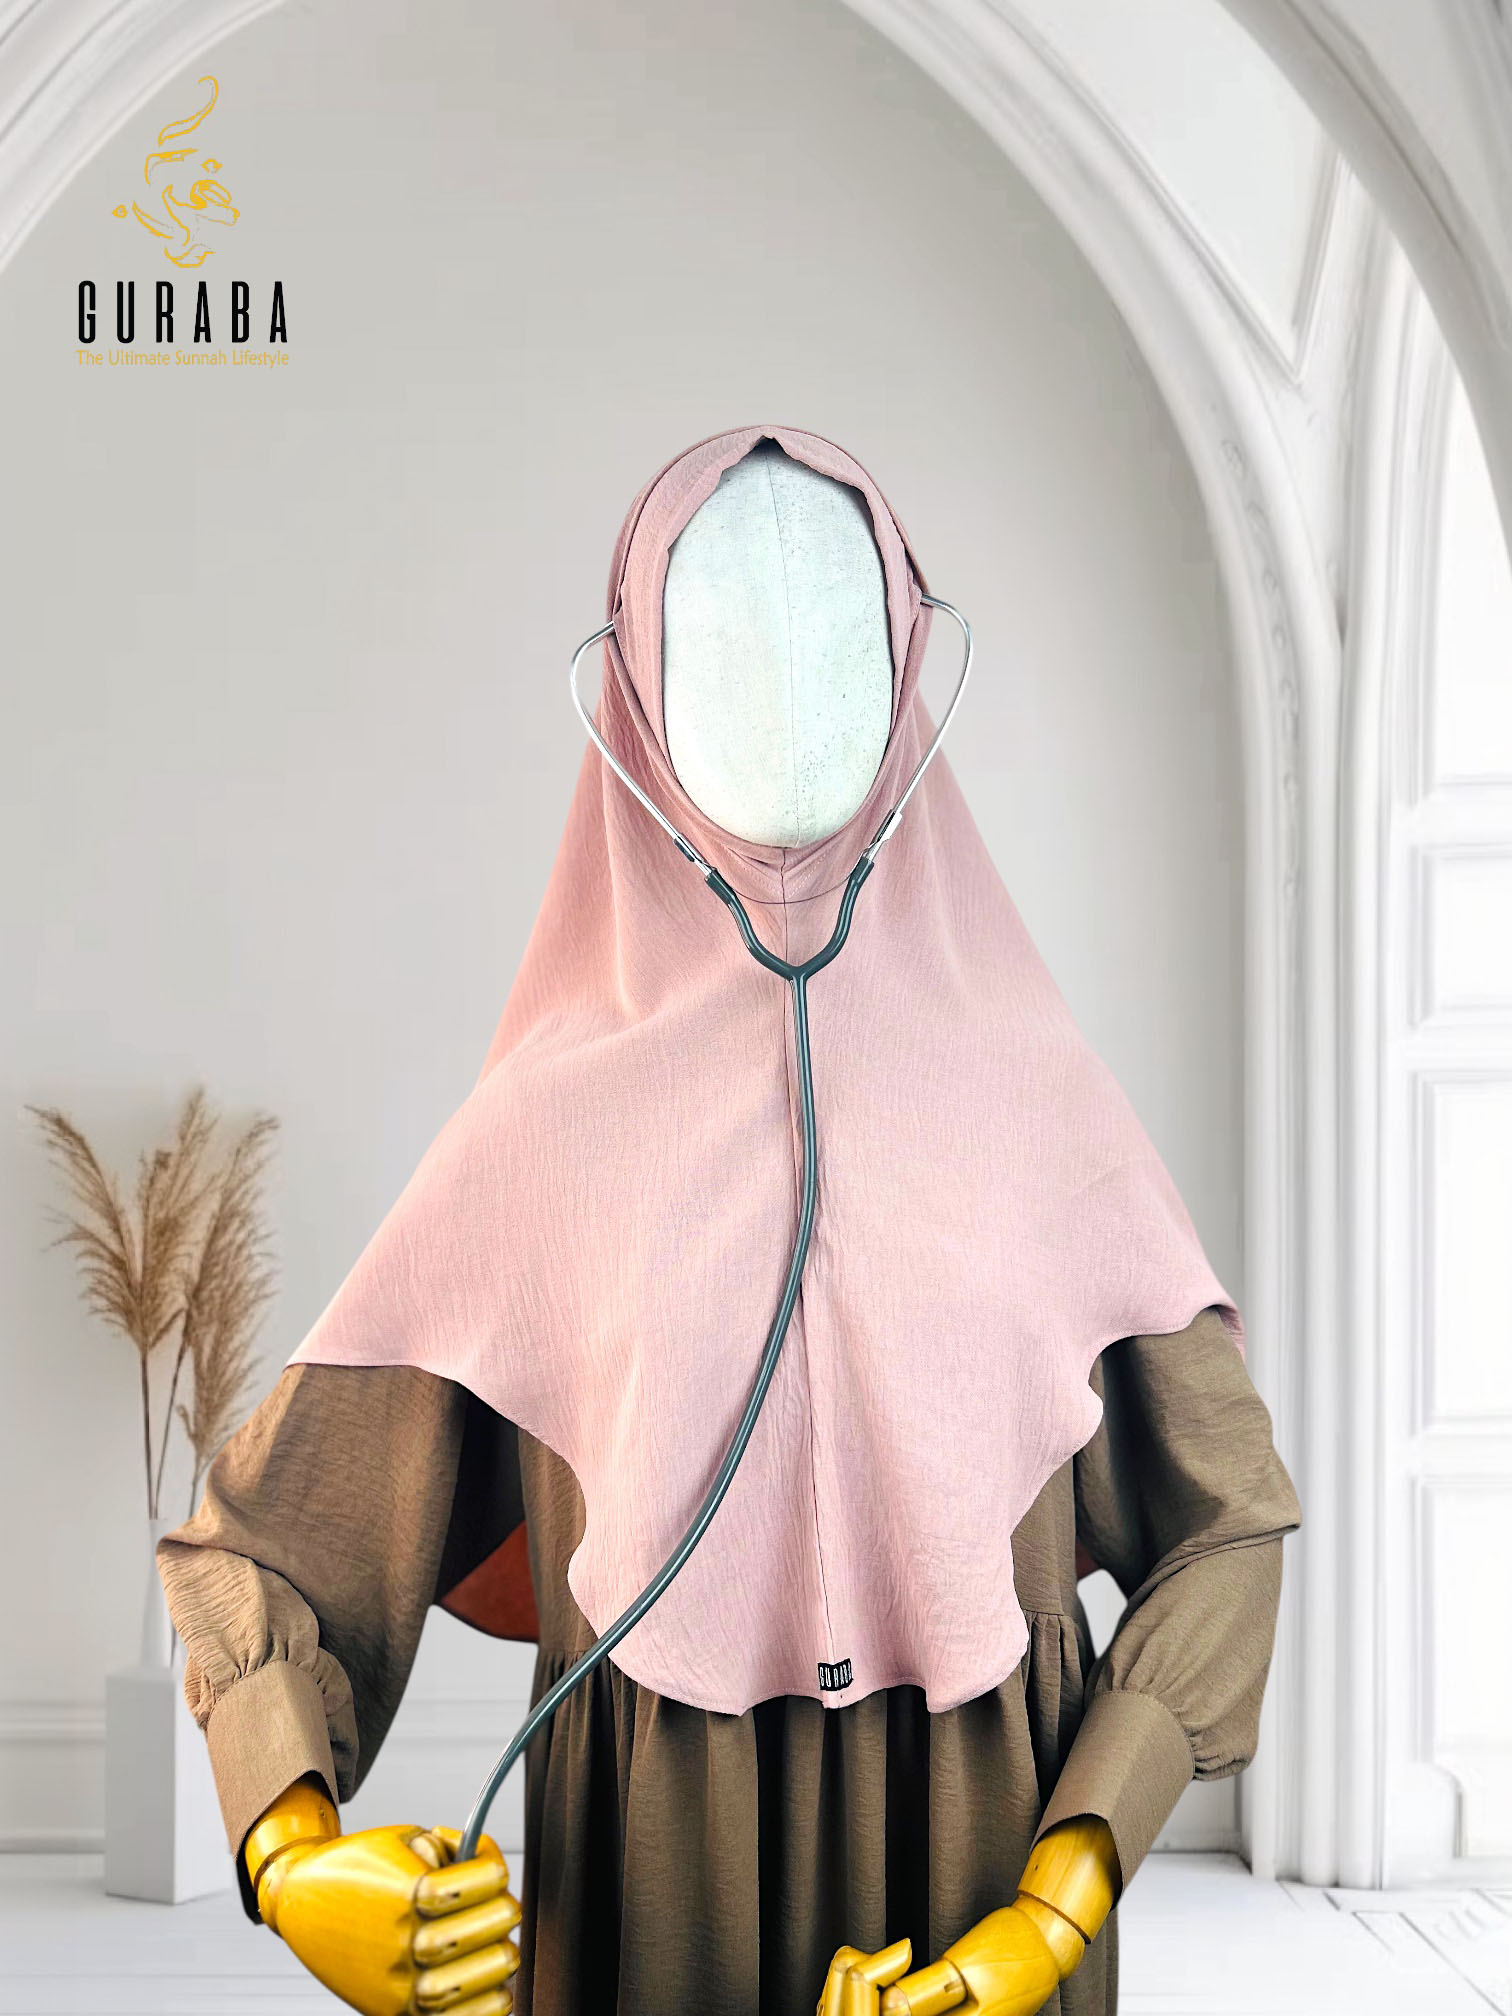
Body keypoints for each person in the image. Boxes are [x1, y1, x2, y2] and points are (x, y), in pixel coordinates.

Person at [158, 425, 1300, 2016]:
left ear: (912, 662)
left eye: (835, 630)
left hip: (984, 1875)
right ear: (632, 689)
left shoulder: (1042, 1103)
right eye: (727, 639)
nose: (792, 693)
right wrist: (290, 1856)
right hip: (652, 1888)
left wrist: (1057, 1903)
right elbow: (266, 1550)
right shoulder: (545, 1130)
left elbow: (1229, 1523)